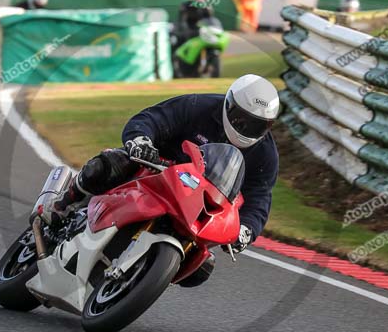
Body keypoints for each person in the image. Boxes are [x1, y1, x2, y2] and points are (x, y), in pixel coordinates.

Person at [41, 74, 280, 287]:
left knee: (202, 267)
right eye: (241, 120)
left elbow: (259, 196)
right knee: (108, 165)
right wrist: (141, 141)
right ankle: (63, 205)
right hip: (157, 168)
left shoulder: (265, 154)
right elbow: (154, 118)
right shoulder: (199, 106)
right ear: (229, 105)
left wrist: (247, 229)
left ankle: (140, 279)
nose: (246, 129)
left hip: (199, 202)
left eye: (258, 125)